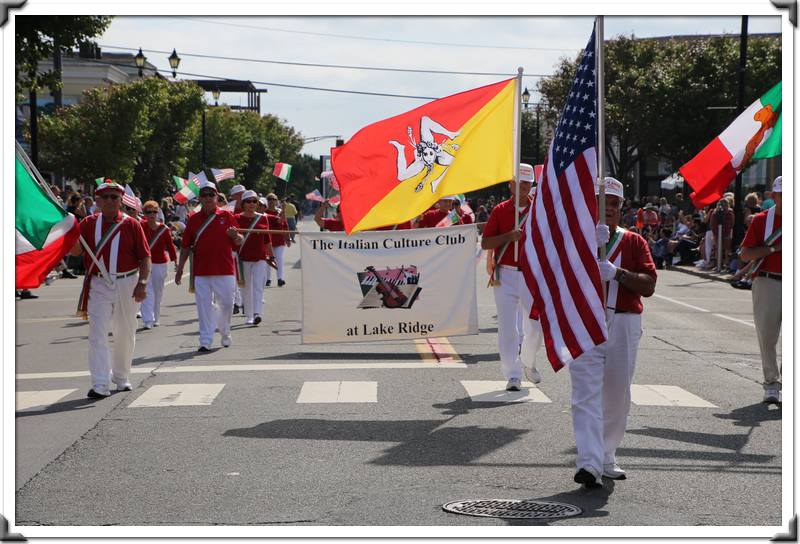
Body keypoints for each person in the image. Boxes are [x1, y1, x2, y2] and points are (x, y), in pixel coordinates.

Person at [571, 177, 657, 488]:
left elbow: (648, 285)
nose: (607, 209)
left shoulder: (634, 242)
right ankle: (589, 462)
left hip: (623, 322)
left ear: (621, 207)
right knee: (585, 394)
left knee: (617, 393)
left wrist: (618, 274)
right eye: (601, 202)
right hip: (585, 321)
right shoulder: (576, 238)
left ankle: (607, 454)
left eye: (613, 203)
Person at [69, 180, 151, 398]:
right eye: (105, 197)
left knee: (125, 331)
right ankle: (100, 383)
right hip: (98, 283)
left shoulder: (131, 224)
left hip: (127, 282)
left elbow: (144, 257)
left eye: (114, 197)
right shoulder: (87, 223)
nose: (109, 201)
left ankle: (121, 377)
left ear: (121, 200)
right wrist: (66, 232)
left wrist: (142, 282)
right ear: (97, 199)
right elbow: (77, 252)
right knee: (97, 333)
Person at [480, 163, 543, 390]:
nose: (524, 186)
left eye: (528, 183)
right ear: (511, 185)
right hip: (505, 274)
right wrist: (509, 236)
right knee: (507, 328)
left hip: (531, 274)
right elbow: (486, 242)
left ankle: (528, 360)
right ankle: (513, 374)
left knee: (536, 325)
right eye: (520, 182)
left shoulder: (539, 210)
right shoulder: (500, 210)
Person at [175, 180, 244, 351]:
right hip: (202, 270)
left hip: (225, 269)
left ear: (217, 197)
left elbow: (240, 241)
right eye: (204, 195)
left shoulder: (227, 216)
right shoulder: (193, 219)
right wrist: (180, 269)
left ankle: (225, 331)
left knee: (227, 304)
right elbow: (185, 246)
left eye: (210, 194)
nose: (207, 198)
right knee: (203, 306)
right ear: (199, 198)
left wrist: (235, 236)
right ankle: (205, 340)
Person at [739, 176, 782, 404]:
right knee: (767, 336)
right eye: (782, 194)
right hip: (768, 282)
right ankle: (772, 382)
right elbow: (745, 255)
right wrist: (774, 248)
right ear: (773, 196)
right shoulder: (762, 221)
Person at [235, 190, 272, 325]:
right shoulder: (236, 218)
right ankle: (249, 315)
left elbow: (267, 239)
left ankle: (257, 313)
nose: (251, 204)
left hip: (260, 256)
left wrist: (271, 255)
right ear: (243, 204)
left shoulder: (263, 217)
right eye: (248, 201)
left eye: (254, 201)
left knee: (258, 286)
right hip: (243, 257)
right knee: (246, 288)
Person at [140, 200, 177, 329]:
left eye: (154, 212)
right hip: (145, 263)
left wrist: (176, 262)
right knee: (146, 290)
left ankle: (156, 317)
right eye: (148, 212)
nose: (152, 214)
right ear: (144, 213)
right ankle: (148, 319)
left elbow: (170, 246)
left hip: (160, 263)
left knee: (158, 291)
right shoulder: (140, 226)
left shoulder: (164, 228)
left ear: (158, 213)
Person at [264, 193, 291, 287]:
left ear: (277, 201)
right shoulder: (264, 212)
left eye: (274, 199)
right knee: (269, 260)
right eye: (269, 199)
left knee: (279, 259)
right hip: (268, 240)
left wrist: (288, 238)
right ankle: (268, 279)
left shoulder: (280, 211)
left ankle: (280, 278)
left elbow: (284, 224)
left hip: (279, 239)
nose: (271, 201)